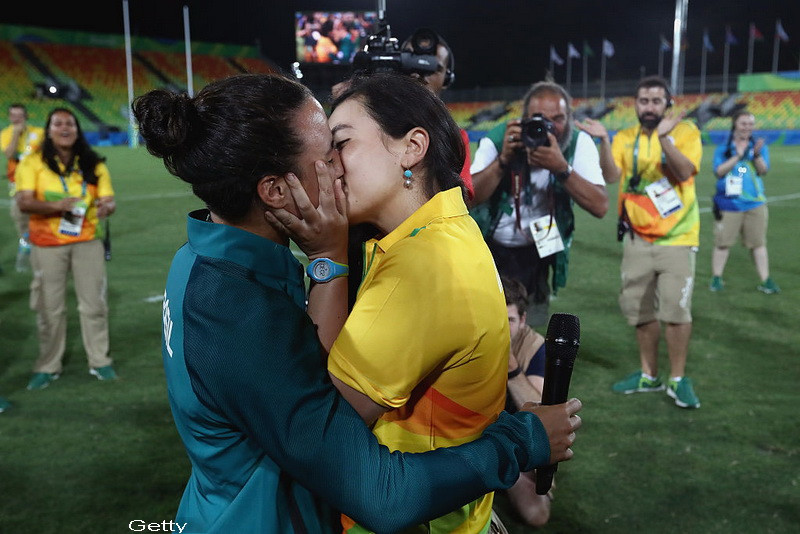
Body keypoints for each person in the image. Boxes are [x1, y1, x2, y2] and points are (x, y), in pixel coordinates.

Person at [132, 73, 581, 534]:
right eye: (328, 152)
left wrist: (328, 257)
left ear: (413, 148)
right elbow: (354, 462)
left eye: (341, 145)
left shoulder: (207, 258)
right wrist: (522, 441)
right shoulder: (236, 307)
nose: (337, 167)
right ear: (274, 191)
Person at [577, 75, 702, 409]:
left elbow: (685, 172)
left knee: (676, 310)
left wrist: (666, 140)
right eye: (643, 101)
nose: (649, 107)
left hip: (677, 237)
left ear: (667, 104)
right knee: (640, 310)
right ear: (636, 104)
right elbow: (611, 176)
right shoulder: (625, 137)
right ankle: (649, 375)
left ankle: (677, 379)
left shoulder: (686, 132)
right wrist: (604, 141)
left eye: (656, 101)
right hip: (636, 239)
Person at [471, 81, 608, 327]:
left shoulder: (577, 143)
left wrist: (561, 168)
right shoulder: (502, 137)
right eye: (538, 119)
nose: (548, 128)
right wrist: (503, 161)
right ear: (523, 119)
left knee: (530, 325)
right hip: (491, 246)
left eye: (558, 119)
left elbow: (600, 206)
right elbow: (469, 197)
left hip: (539, 250)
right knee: (486, 324)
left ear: (569, 119)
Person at [15, 107, 117, 390]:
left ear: (77, 129)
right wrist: (57, 206)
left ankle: (100, 361)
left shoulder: (93, 162)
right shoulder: (33, 161)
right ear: (48, 130)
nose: (64, 128)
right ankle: (48, 365)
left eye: (70, 123)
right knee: (49, 308)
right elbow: (24, 202)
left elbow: (109, 200)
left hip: (87, 241)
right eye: (58, 123)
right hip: (47, 244)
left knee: (94, 304)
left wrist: (106, 206)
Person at [501, 276, 553, 528]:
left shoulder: (536, 346)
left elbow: (540, 412)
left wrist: (510, 366)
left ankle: (502, 470)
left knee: (537, 514)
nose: (501, 327)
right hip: (466, 431)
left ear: (522, 321)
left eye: (509, 320)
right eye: (496, 318)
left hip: (511, 439)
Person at [709, 110, 779, 294]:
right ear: (735, 125)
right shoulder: (723, 147)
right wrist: (737, 156)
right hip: (728, 203)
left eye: (750, 124)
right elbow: (719, 172)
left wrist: (756, 155)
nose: (747, 127)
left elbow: (763, 171)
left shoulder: (758, 146)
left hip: (755, 202)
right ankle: (716, 278)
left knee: (758, 243)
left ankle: (765, 280)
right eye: (743, 123)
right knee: (723, 243)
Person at [1, 103, 45, 272]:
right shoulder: (5, 134)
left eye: (20, 115)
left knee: (41, 214)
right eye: (13, 115)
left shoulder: (38, 132)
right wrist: (16, 135)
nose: (17, 118)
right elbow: (9, 154)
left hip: (40, 181)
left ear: (26, 116)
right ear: (10, 117)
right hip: (17, 182)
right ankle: (26, 244)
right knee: (19, 216)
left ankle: (43, 246)